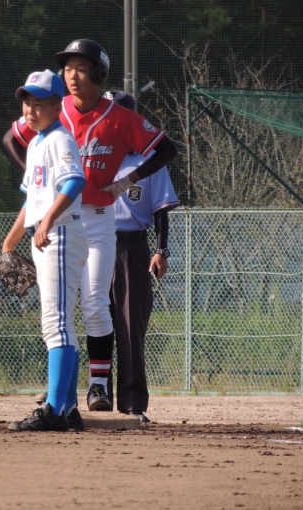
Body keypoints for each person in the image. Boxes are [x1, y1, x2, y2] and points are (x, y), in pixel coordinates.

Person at [3, 39, 178, 413]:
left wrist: (128, 180)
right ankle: (61, 394)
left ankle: (98, 386)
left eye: (81, 68)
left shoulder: (120, 117)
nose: (72, 75)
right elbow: (11, 139)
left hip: (98, 220)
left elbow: (167, 149)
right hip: (61, 221)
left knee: (96, 303)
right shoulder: (53, 108)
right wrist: (38, 179)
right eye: (68, 68)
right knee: (59, 312)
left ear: (99, 74)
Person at [3, 70, 88, 431]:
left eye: (39, 103)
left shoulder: (59, 139)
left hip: (60, 233)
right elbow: (32, 200)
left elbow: (75, 181)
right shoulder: (37, 142)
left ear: (57, 106)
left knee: (57, 324)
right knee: (57, 323)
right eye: (26, 102)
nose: (30, 109)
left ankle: (54, 410)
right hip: (48, 235)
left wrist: (48, 221)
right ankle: (67, 407)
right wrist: (9, 241)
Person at [106, 90, 180, 423]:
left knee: (129, 325)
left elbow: (161, 209)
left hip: (131, 248)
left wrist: (161, 250)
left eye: (116, 116)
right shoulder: (93, 156)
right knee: (96, 324)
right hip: (94, 245)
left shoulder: (148, 160)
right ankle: (96, 398)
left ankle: (133, 403)